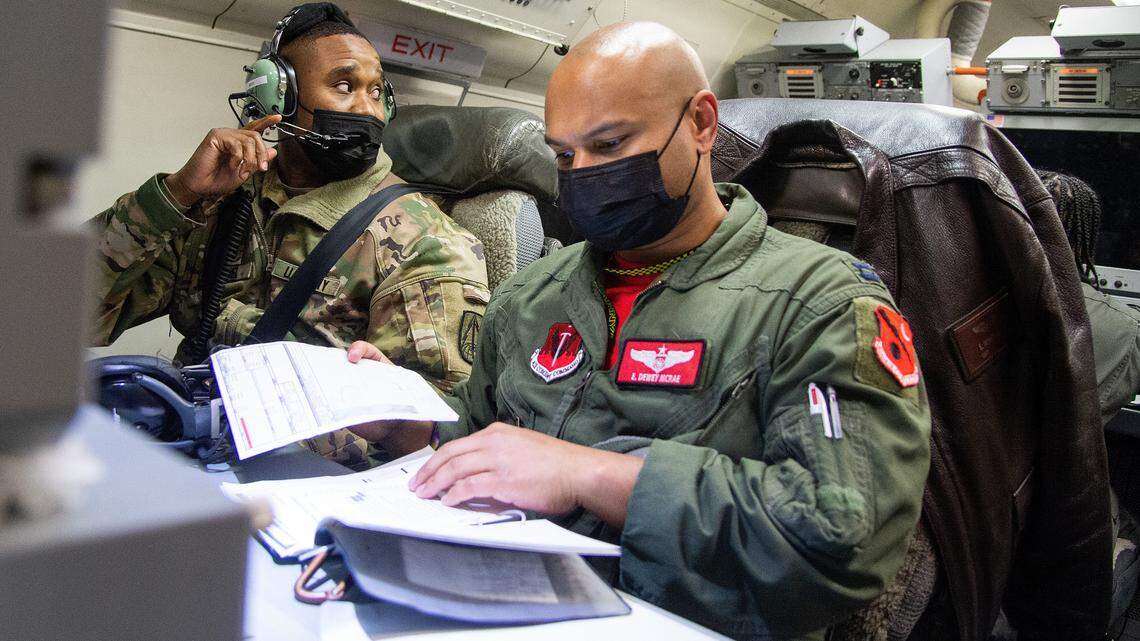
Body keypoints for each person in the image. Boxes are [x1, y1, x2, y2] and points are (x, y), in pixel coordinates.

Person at [347, 21, 931, 639]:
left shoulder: (820, 304)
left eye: (609, 144)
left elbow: (843, 534)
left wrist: (589, 474)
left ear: (701, 124)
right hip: (500, 603)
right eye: (565, 155)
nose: (582, 173)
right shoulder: (531, 295)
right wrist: (405, 422)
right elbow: (480, 433)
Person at [90, 3, 489, 469]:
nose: (368, 109)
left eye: (377, 92)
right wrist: (176, 195)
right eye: (345, 86)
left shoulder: (426, 241)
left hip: (313, 487)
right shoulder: (222, 202)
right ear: (279, 98)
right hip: (185, 452)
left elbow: (437, 441)